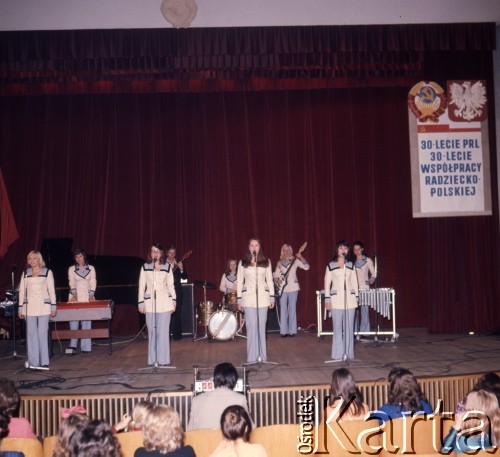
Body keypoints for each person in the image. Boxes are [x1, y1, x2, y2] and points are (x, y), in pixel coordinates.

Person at [236, 238, 275, 363]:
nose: (254, 247)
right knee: (251, 326)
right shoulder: (243, 262)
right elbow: (240, 281)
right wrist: (239, 300)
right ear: (249, 247)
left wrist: (272, 297)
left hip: (263, 297)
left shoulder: (266, 262)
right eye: (252, 245)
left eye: (256, 245)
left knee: (261, 326)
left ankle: (262, 356)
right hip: (248, 298)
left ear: (260, 247)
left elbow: (269, 280)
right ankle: (252, 357)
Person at [138, 244, 176, 366]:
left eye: (157, 251)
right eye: (153, 251)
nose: (155, 253)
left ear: (161, 253)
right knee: (152, 332)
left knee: (163, 332)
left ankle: (163, 360)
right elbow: (141, 287)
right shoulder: (145, 267)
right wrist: (140, 303)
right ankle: (153, 360)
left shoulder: (167, 267)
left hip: (165, 303)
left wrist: (173, 302)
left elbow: (171, 286)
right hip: (150, 304)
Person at [17, 250, 57, 368]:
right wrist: (20, 309)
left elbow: (51, 290)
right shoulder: (25, 273)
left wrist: (53, 307)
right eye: (30, 258)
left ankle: (44, 362)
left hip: (44, 307)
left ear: (39, 259)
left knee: (42, 333)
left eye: (34, 258)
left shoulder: (47, 272)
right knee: (31, 334)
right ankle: (34, 362)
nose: (32, 261)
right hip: (29, 307)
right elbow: (22, 292)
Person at [188, 362, 252, 431]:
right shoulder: (241, 399)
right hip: (229, 441)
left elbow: (190, 431)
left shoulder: (196, 400)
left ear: (214, 380)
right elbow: (250, 428)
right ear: (234, 381)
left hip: (202, 441)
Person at [323, 240, 359, 362]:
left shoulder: (351, 265)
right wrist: (327, 299)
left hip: (350, 299)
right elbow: (327, 284)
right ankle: (338, 354)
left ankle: (348, 354)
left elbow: (354, 282)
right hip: (336, 299)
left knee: (349, 327)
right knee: (337, 327)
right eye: (340, 248)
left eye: (345, 248)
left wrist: (357, 296)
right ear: (337, 250)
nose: (343, 250)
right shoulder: (330, 265)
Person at [441, 389, 500, 454]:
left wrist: (455, 428)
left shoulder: (464, 441)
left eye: (463, 409)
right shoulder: (496, 438)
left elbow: (444, 453)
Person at [273, 243, 309, 337]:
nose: (286, 252)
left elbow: (306, 267)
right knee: (283, 308)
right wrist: (277, 280)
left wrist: (301, 257)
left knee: (292, 308)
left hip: (293, 287)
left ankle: (292, 330)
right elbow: (275, 275)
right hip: (283, 288)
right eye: (284, 250)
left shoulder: (295, 260)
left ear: (291, 251)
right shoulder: (279, 262)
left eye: (288, 250)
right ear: (282, 251)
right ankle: (283, 331)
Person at [67, 248, 97, 355]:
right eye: (76, 256)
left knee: (86, 322)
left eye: (80, 256)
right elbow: (71, 282)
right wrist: (75, 295)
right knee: (73, 322)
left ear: (84, 256)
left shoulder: (91, 268)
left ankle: (86, 347)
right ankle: (72, 346)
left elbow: (93, 282)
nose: (78, 259)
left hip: (88, 296)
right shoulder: (71, 269)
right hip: (75, 296)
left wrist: (91, 295)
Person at [352, 241, 376, 335]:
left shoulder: (368, 260)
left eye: (358, 249)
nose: (356, 251)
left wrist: (371, 280)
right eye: (355, 249)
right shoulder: (351, 261)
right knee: (353, 311)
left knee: (364, 311)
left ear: (362, 249)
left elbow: (373, 273)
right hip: (354, 289)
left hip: (365, 288)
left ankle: (364, 332)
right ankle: (353, 332)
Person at [166, 246, 188, 341]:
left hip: (177, 291)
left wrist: (182, 269)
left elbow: (185, 278)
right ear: (167, 253)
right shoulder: (162, 264)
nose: (172, 255)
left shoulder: (179, 263)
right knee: (166, 314)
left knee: (177, 313)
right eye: (170, 253)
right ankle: (165, 335)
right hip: (166, 292)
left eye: (174, 253)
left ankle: (177, 335)